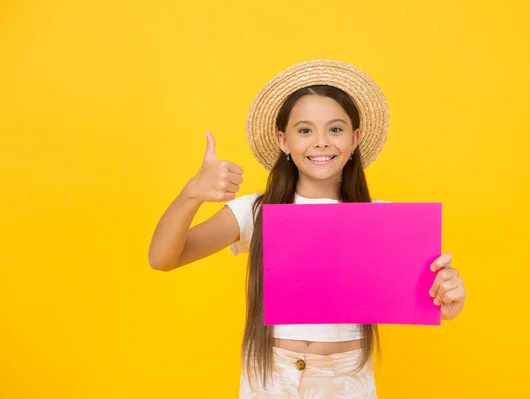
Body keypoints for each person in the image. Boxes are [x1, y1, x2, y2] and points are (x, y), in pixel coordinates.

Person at [148, 60, 466, 398]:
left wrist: (446, 296)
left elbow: (426, 296)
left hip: (347, 381)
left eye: (335, 129)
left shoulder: (382, 221)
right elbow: (163, 258)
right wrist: (192, 193)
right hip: (271, 380)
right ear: (283, 140)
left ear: (355, 138)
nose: (321, 142)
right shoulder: (256, 212)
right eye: (304, 130)